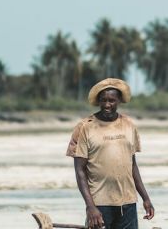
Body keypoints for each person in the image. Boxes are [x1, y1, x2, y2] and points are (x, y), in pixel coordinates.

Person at [66, 78, 155, 229]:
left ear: (119, 100)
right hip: (99, 204)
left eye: (112, 100)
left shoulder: (128, 125)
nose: (107, 105)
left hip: (128, 202)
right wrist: (90, 207)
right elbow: (80, 170)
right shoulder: (85, 127)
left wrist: (145, 198)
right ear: (98, 101)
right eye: (103, 100)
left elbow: (132, 165)